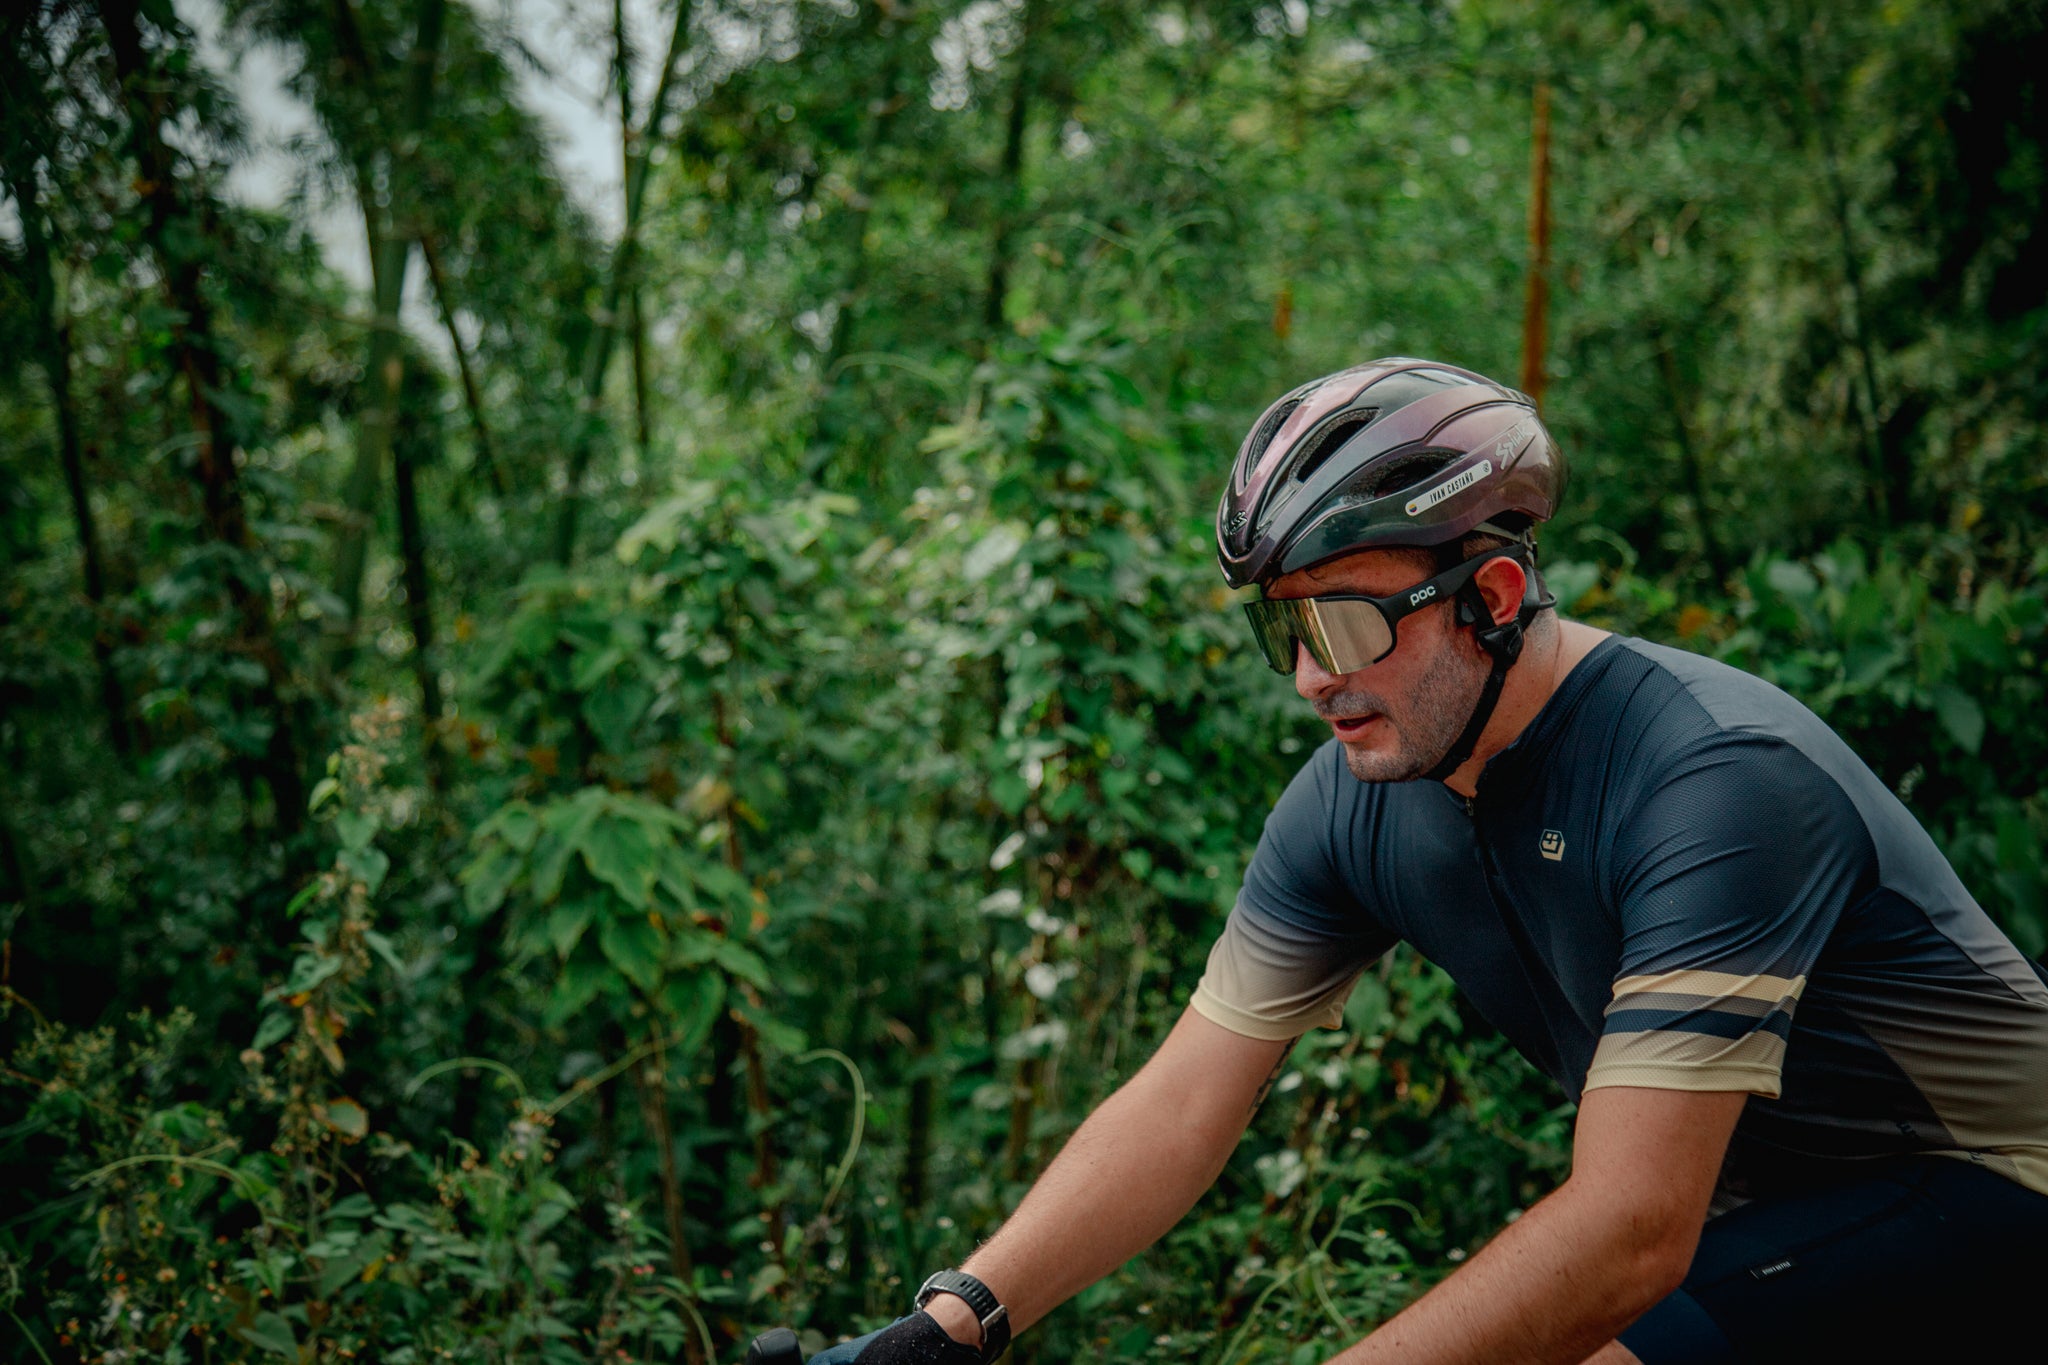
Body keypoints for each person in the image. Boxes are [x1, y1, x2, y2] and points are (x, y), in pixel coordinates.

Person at [815, 358, 2048, 1364]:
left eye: (1343, 621)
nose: (1310, 677)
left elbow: (1627, 1229)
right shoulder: (1355, 801)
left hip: (1992, 1198)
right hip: (1774, 1219)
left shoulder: (1716, 781)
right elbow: (1186, 1099)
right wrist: (952, 1325)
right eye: (1280, 628)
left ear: (1493, 594)